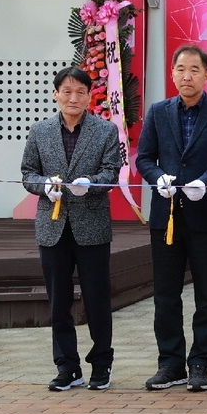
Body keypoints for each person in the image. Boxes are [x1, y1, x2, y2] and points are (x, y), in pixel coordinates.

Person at [136, 44, 207, 392]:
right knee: (166, 294)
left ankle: (200, 363)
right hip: (164, 216)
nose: (186, 75)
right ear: (172, 73)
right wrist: (157, 177)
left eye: (194, 69)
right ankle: (170, 363)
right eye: (180, 68)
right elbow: (144, 157)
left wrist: (204, 183)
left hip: (205, 216)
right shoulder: (158, 112)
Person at [20, 66, 121, 391]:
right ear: (56, 94)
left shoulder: (105, 131)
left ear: (89, 96)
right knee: (58, 301)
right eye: (67, 91)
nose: (73, 97)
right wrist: (43, 186)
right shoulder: (40, 131)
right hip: (52, 227)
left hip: (91, 226)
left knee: (96, 299)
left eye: (80, 92)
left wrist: (90, 184)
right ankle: (67, 367)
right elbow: (28, 172)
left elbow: (111, 171)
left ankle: (101, 365)